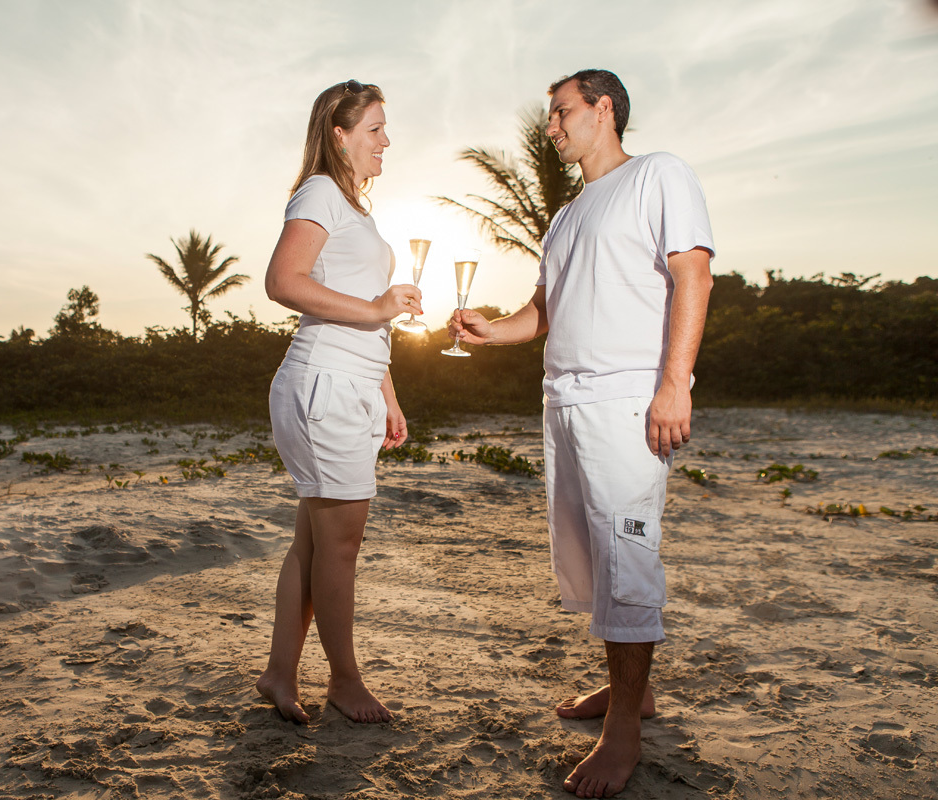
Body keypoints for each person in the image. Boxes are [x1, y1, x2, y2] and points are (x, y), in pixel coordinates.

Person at [449, 69, 714, 797]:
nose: (552, 127)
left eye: (561, 112)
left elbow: (694, 276)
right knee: (595, 562)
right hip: (563, 404)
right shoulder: (565, 216)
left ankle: (623, 732)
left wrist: (672, 384)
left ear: (604, 110)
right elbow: (544, 311)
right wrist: (488, 332)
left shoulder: (659, 175)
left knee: (626, 561)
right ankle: (634, 692)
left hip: (628, 401)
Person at [256, 80, 420, 725]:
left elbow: (366, 318)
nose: (386, 141)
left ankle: (278, 672)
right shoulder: (321, 192)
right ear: (340, 134)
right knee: (340, 549)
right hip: (324, 386)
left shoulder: (353, 209)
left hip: (350, 383)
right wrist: (380, 307)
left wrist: (389, 395)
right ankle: (345, 683)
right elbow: (282, 282)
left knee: (313, 546)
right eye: (376, 129)